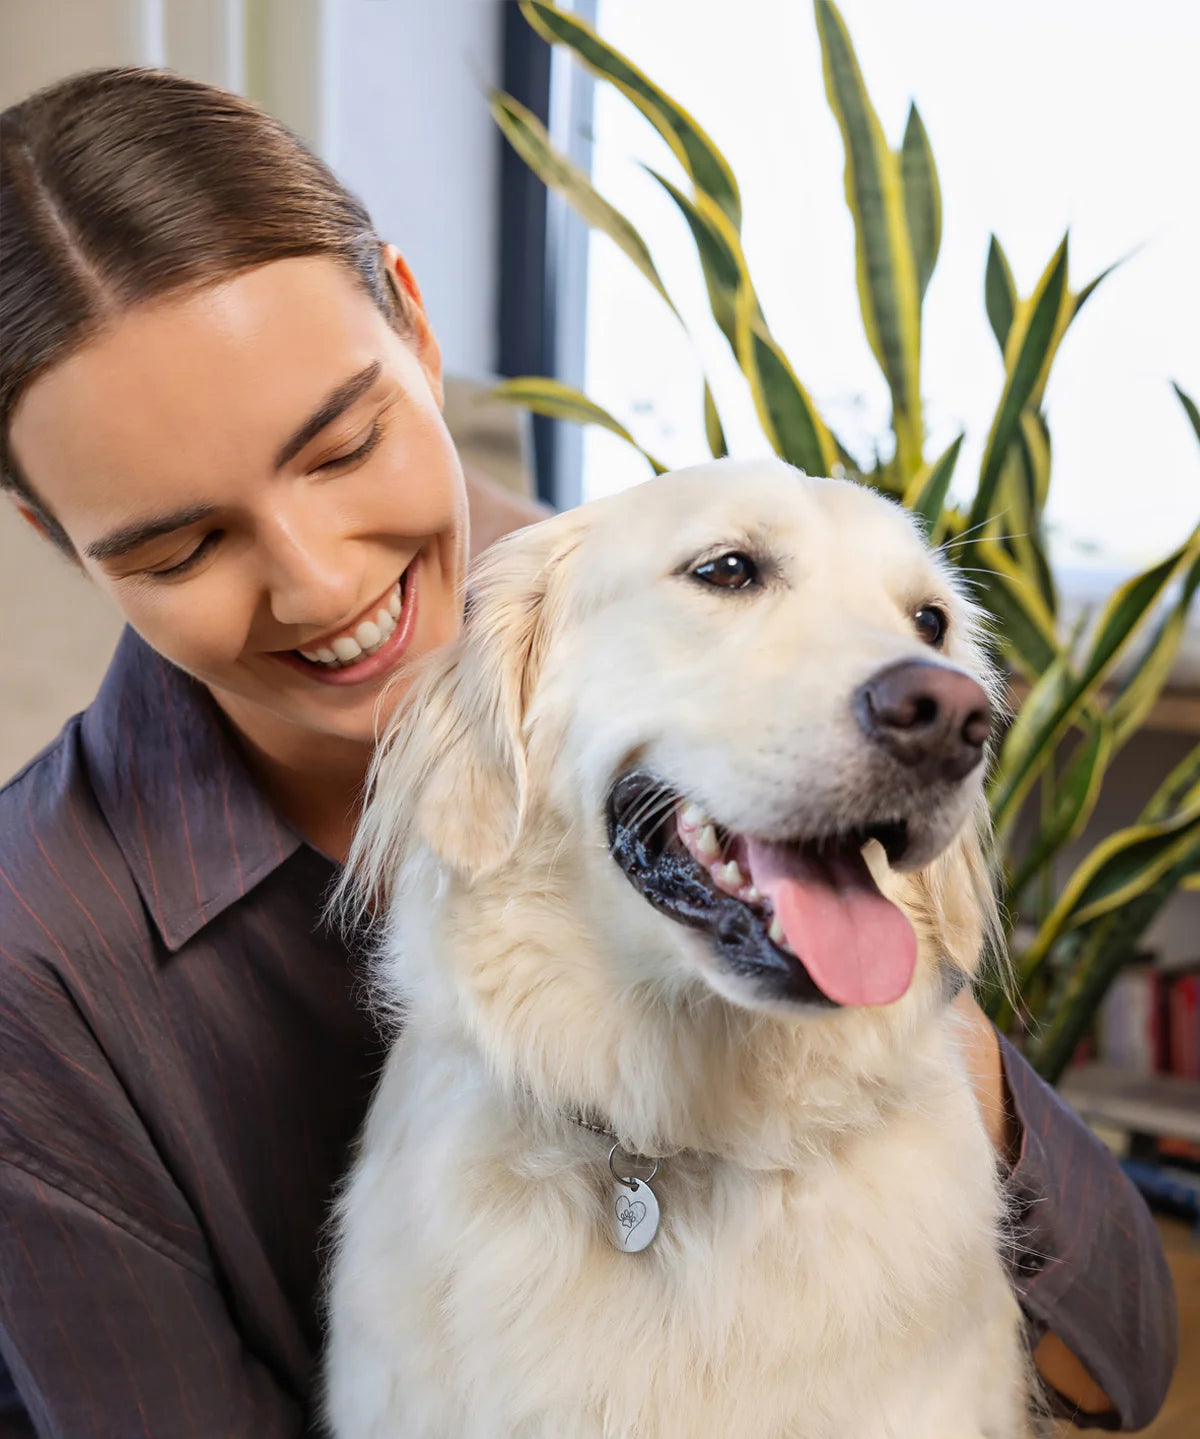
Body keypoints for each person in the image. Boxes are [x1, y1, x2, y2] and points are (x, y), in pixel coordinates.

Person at [0, 67, 1177, 1439]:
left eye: (345, 445)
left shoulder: (636, 630)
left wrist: (866, 941)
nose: (320, 587)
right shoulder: (37, 964)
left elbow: (1125, 1368)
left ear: (417, 331)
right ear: (63, 544)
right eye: (182, 544)